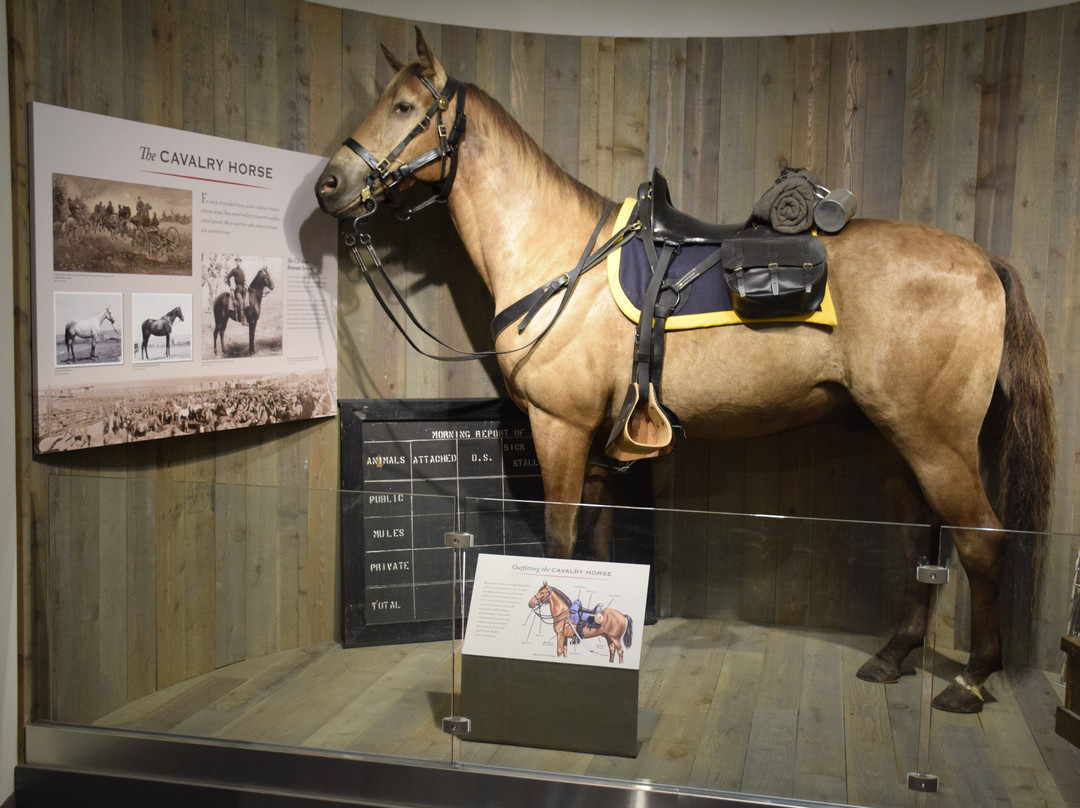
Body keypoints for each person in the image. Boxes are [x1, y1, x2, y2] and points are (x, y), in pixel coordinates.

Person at [225, 258, 248, 325]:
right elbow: (228, 277)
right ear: (235, 262)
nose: (238, 263)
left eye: (239, 262)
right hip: (237, 290)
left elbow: (244, 280)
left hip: (243, 289)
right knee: (241, 301)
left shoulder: (242, 271)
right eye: (237, 261)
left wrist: (245, 283)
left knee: (247, 301)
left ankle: (248, 317)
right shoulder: (234, 270)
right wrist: (230, 286)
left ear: (240, 263)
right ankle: (242, 320)